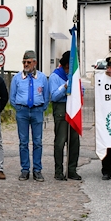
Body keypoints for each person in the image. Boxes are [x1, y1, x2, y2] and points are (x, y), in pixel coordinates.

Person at [9, 50, 49, 182]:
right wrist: (19, 108)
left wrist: (41, 108)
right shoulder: (17, 78)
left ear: (35, 63)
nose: (26, 64)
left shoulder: (42, 78)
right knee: (23, 142)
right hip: (22, 112)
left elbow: (46, 96)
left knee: (37, 142)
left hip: (37, 111)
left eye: (28, 62)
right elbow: (12, 97)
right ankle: (25, 169)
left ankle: (37, 170)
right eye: (24, 62)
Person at [49, 50, 81, 181]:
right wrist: (65, 86)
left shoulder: (74, 75)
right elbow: (54, 96)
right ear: (65, 64)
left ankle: (72, 170)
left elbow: (81, 91)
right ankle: (58, 170)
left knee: (74, 142)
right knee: (60, 141)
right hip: (61, 109)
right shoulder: (55, 76)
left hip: (73, 108)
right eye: (69, 66)